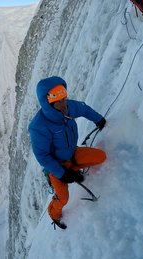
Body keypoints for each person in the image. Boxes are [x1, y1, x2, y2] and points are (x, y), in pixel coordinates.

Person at [29, 76, 106, 229]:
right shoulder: (39, 127)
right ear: (49, 104)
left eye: (64, 98)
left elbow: (84, 109)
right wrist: (63, 173)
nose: (64, 104)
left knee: (101, 157)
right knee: (63, 198)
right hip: (55, 167)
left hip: (72, 154)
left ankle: (75, 170)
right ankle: (54, 214)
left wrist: (99, 120)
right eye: (59, 102)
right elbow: (43, 157)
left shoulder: (68, 108)